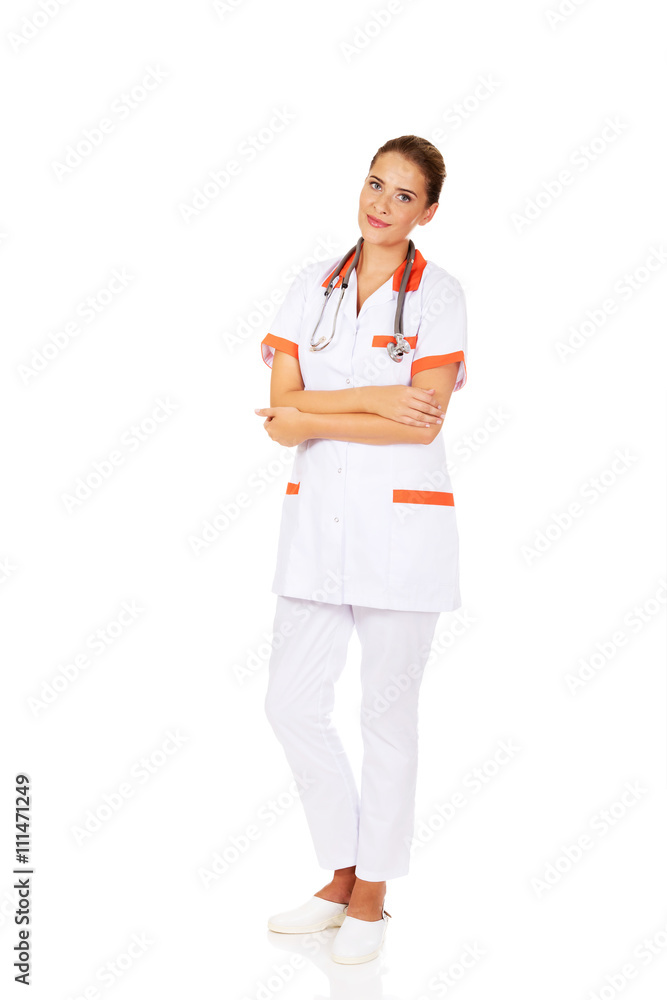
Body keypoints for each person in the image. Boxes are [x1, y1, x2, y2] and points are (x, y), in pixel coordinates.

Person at [254, 134, 468, 965]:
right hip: (316, 529)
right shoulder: (311, 287)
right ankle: (342, 874)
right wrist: (380, 397)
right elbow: (279, 423)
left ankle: (373, 893)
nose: (381, 203)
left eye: (403, 195)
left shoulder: (440, 297)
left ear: (428, 212)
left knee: (386, 717)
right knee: (289, 704)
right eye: (375, 184)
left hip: (402, 537)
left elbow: (424, 418)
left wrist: (317, 411)